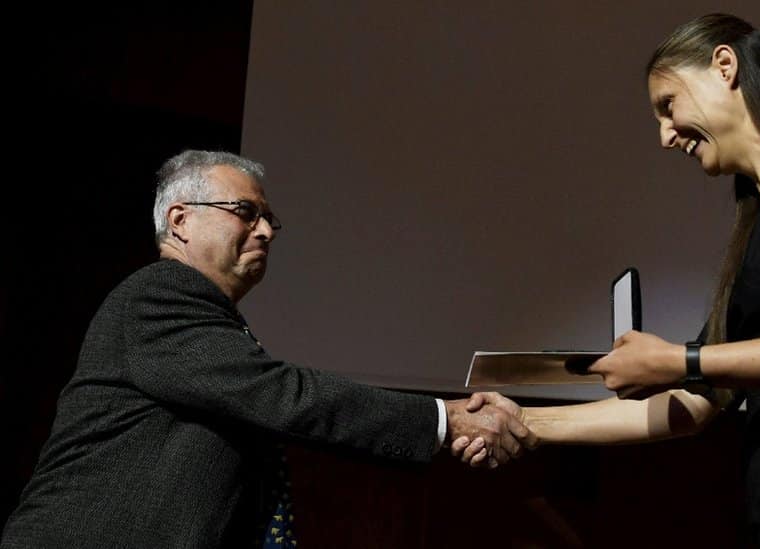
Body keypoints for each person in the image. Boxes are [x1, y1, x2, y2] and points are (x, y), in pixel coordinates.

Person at [458, 13, 760, 548]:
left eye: (667, 107)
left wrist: (682, 360)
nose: (664, 136)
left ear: (725, 66)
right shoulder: (755, 229)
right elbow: (700, 402)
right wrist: (528, 425)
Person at [1, 150, 535, 548]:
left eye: (269, 219)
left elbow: (286, 415)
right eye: (245, 211)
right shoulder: (159, 295)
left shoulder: (212, 323)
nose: (266, 231)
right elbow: (285, 397)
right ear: (180, 219)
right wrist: (444, 421)